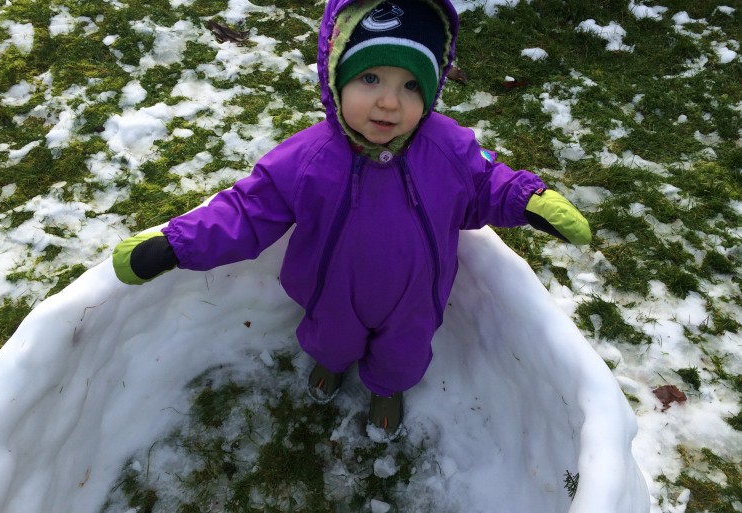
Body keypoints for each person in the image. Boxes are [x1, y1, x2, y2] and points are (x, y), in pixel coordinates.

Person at [112, 0, 591, 439]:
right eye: (370, 79)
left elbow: (487, 184)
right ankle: (332, 364)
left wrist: (529, 200)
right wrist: (178, 242)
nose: (389, 102)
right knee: (329, 338)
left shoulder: (448, 149)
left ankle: (387, 388)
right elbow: (248, 209)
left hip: (414, 298)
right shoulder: (308, 158)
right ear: (335, 77)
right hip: (331, 291)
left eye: (409, 85)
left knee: (404, 352)